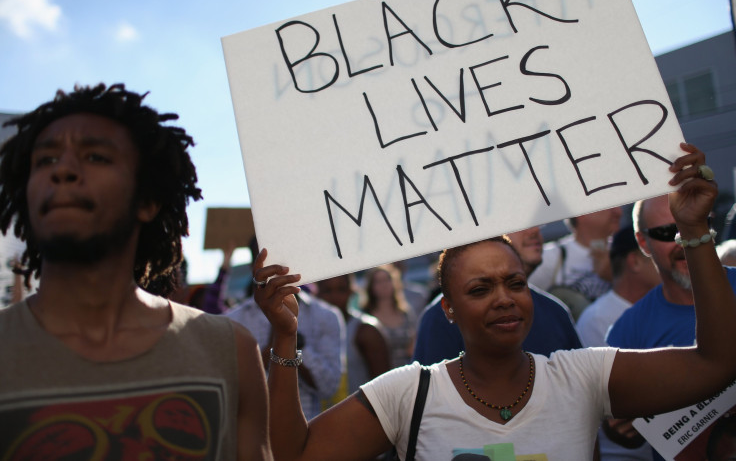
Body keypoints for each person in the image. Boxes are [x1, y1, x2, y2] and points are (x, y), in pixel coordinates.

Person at [254, 143, 736, 460]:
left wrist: (693, 231)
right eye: (480, 290)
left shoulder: (581, 377)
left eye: (515, 283)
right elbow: (295, 456)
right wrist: (285, 335)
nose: (504, 299)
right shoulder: (406, 393)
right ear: (447, 309)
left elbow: (716, 363)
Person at [0, 84, 271, 460]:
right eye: (45, 160)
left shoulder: (231, 351)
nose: (62, 170)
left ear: (147, 201)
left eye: (95, 157)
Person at [606, 193, 736, 461]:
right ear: (643, 242)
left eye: (691, 225)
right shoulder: (628, 331)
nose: (683, 240)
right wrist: (622, 427)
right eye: (667, 232)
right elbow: (620, 433)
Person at [412, 226, 582, 365]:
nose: (534, 231)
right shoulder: (440, 319)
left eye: (516, 285)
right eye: (517, 223)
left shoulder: (555, 312)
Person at [226, 241, 345, 421]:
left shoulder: (326, 316)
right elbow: (232, 391)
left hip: (307, 431)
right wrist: (281, 335)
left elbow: (328, 387)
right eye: (269, 261)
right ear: (254, 266)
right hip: (250, 433)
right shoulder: (231, 321)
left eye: (283, 258)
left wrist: (293, 340)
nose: (278, 269)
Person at [529, 206, 622, 318]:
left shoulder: (629, 255)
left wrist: (615, 276)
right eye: (608, 204)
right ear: (581, 212)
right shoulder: (550, 258)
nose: (618, 211)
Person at [576, 225, 661, 348]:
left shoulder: (670, 306)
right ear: (635, 261)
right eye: (657, 255)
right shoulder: (597, 319)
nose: (667, 262)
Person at [315, 274, 391, 404]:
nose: (334, 297)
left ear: (352, 291)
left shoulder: (366, 330)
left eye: (341, 289)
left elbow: (385, 389)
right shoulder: (308, 330)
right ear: (317, 293)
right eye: (327, 291)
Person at [362, 265, 417, 369]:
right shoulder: (365, 318)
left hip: (407, 371)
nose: (384, 285)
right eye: (378, 281)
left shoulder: (406, 313)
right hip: (379, 375)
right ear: (371, 286)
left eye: (387, 280)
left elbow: (414, 346)